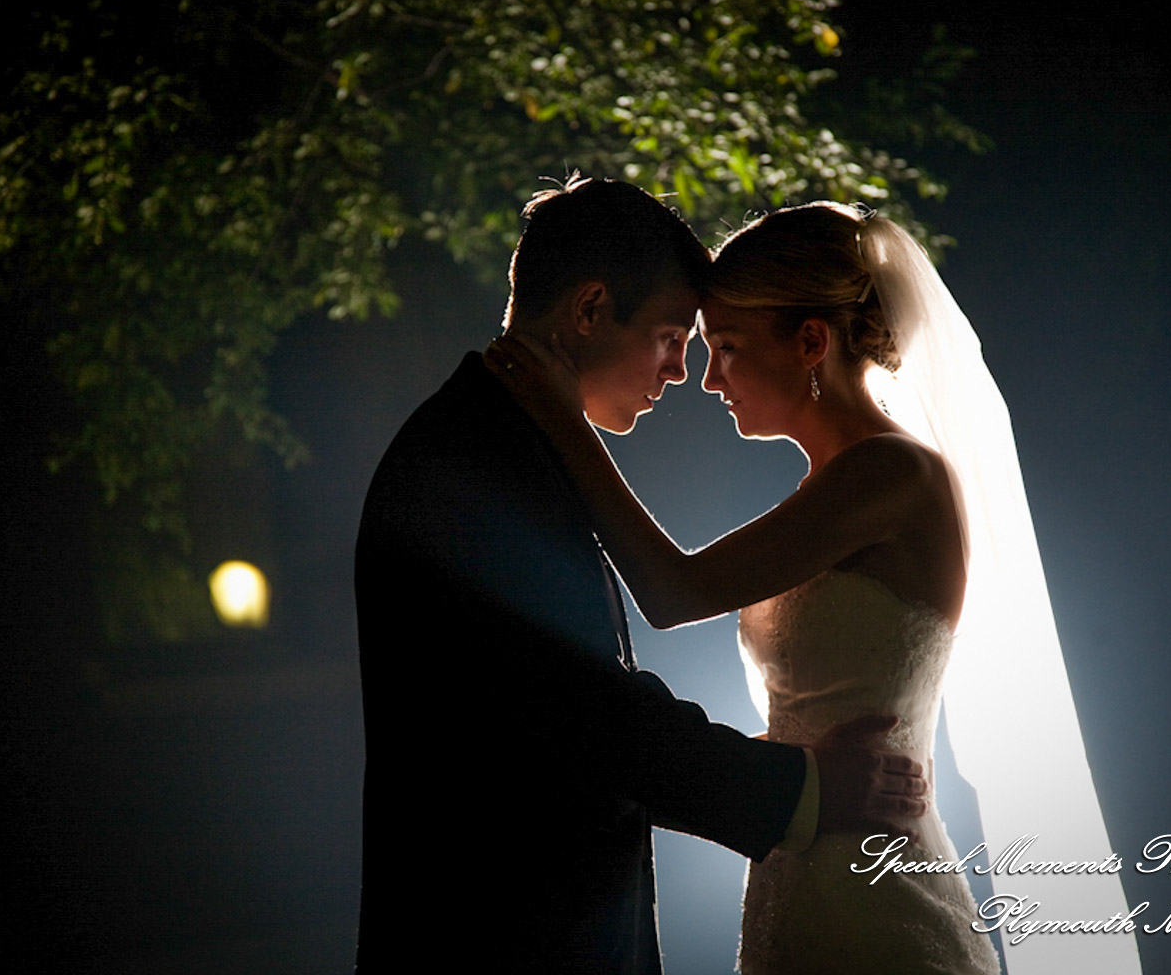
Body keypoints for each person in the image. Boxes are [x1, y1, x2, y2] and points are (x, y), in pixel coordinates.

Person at [490, 202, 1142, 974]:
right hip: (800, 867)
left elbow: (674, 591)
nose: (707, 378)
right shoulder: (829, 489)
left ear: (810, 343)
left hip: (873, 896)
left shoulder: (892, 474)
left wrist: (561, 419)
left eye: (726, 347)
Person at [354, 179, 931, 974]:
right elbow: (588, 715)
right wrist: (795, 786)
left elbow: (565, 708)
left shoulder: (500, 444)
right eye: (672, 336)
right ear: (590, 310)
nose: (682, 372)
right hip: (501, 941)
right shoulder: (474, 464)